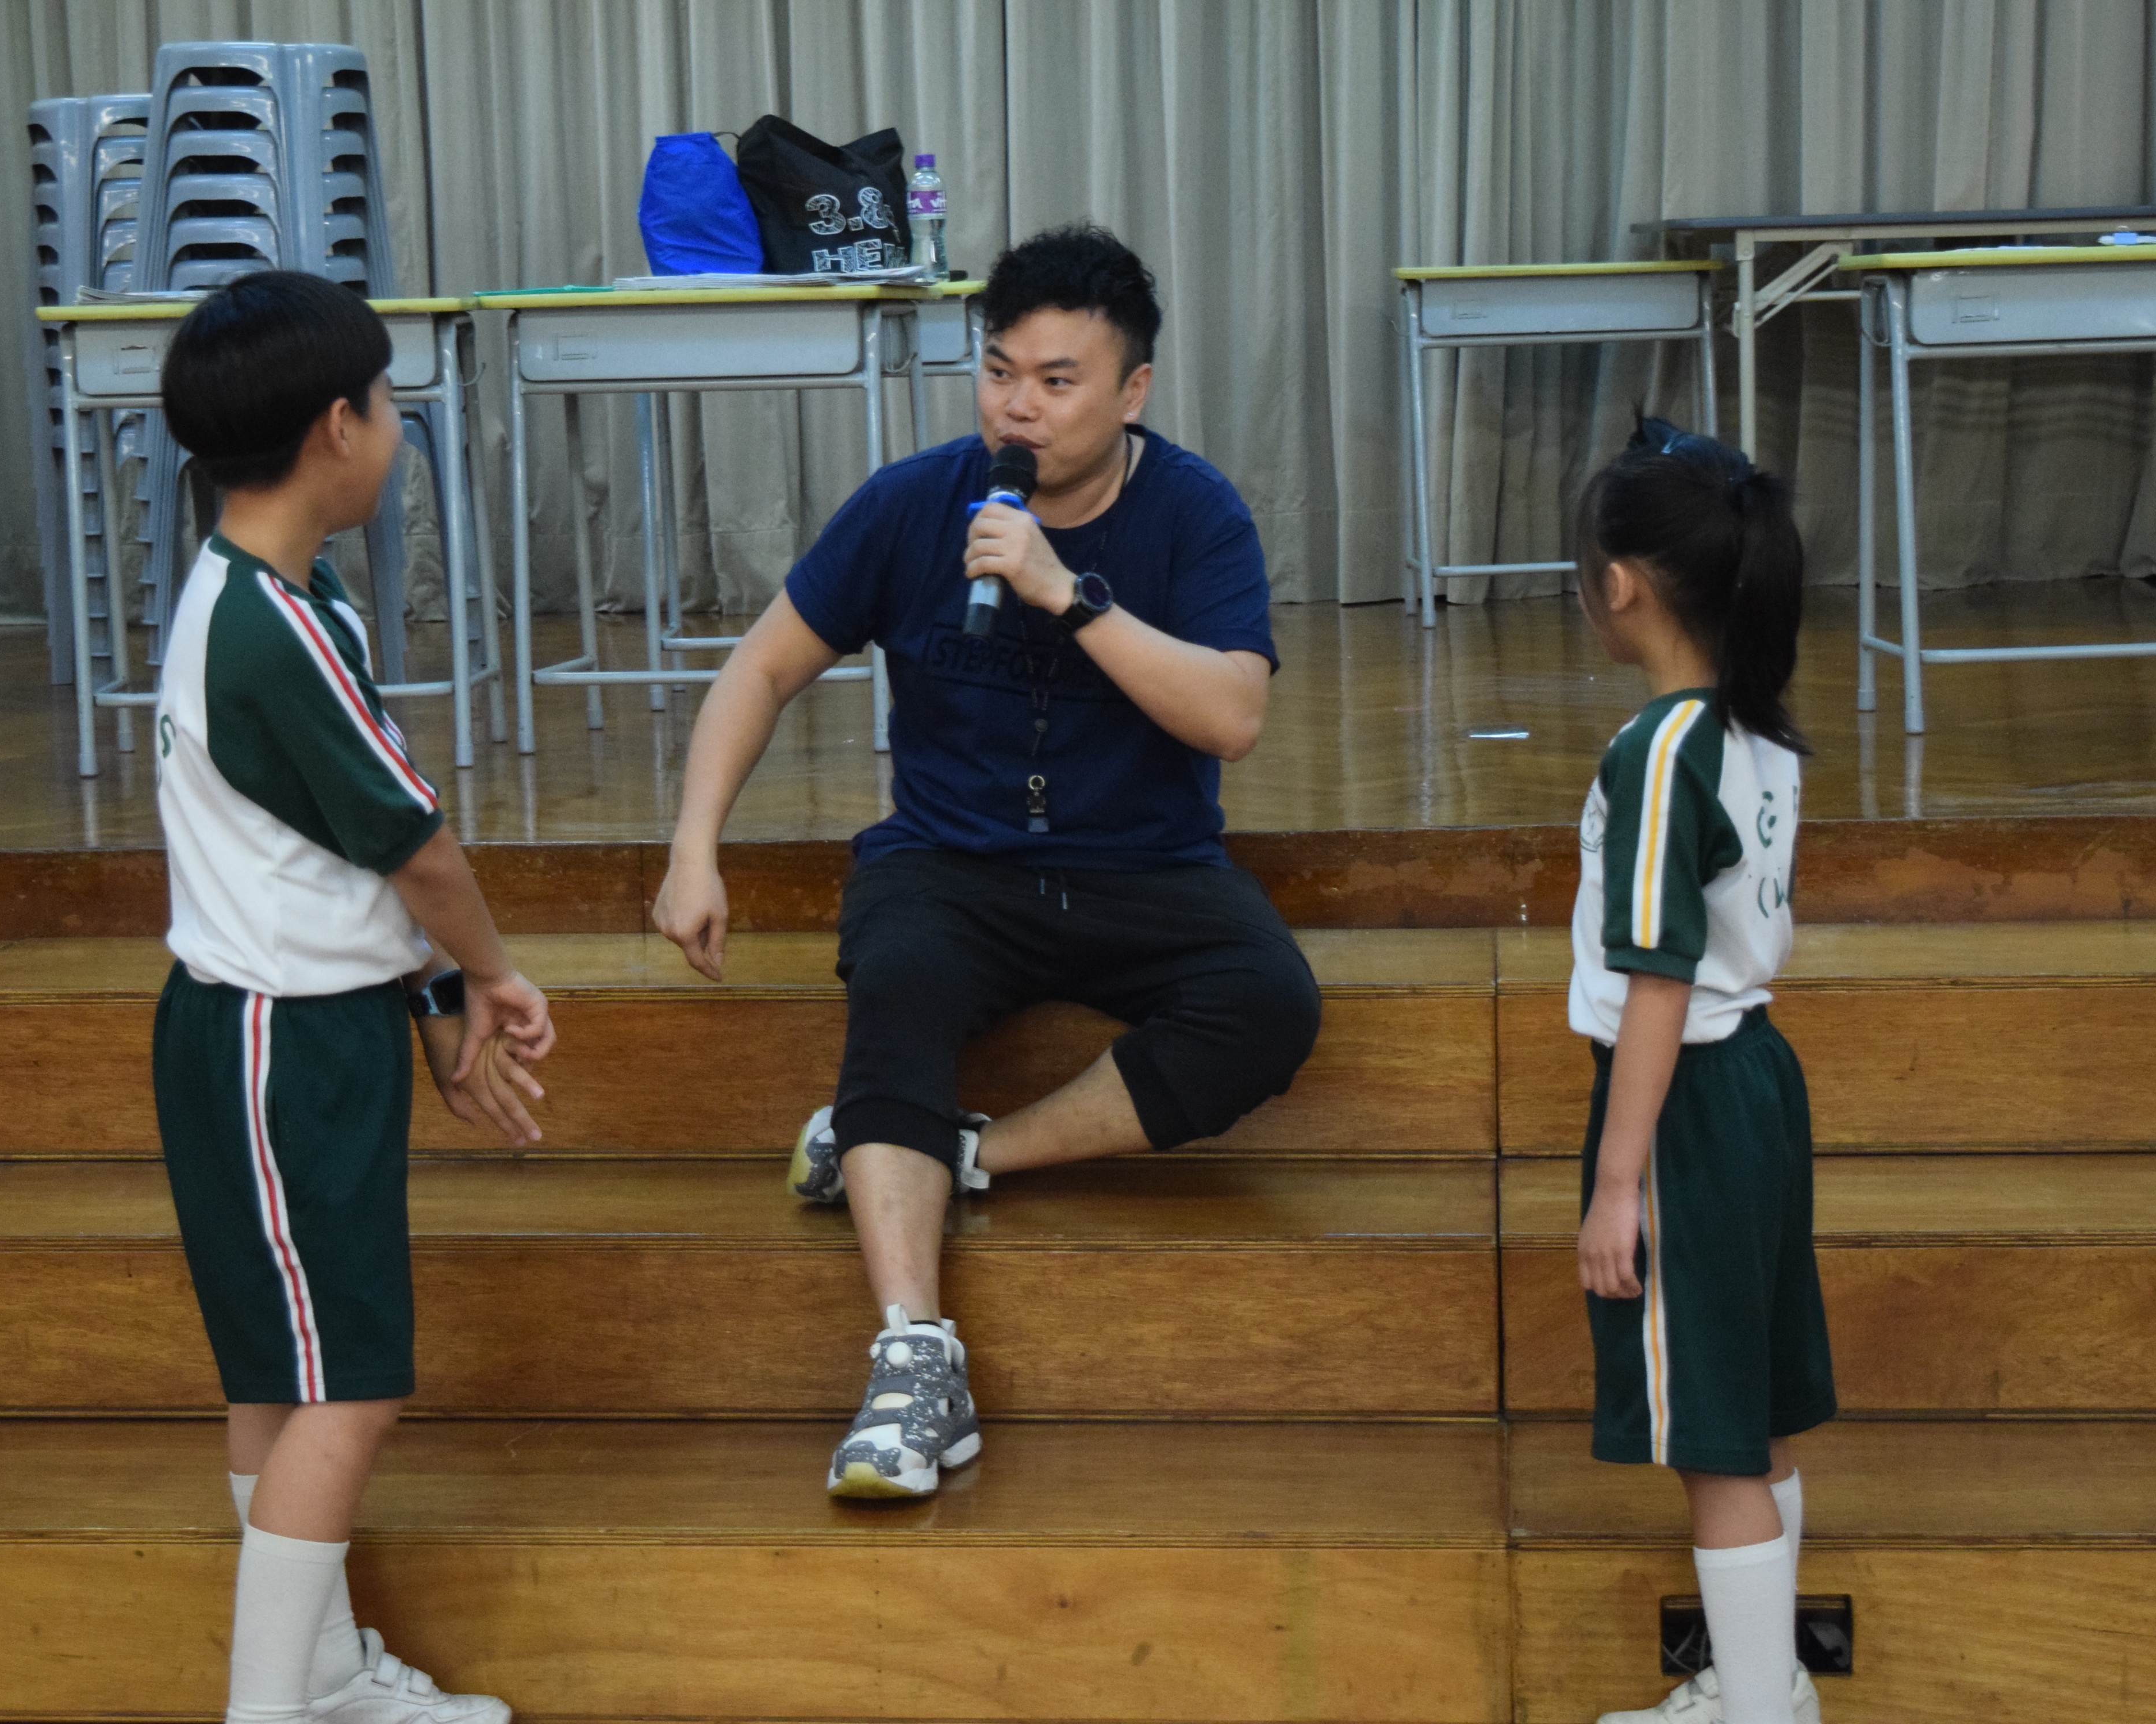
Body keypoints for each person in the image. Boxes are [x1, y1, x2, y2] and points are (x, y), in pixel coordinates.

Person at [651, 224, 1323, 1499]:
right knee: (897, 979)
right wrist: (695, 851)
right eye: (1001, 371)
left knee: (1269, 1005)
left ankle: (956, 1150)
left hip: (1143, 866)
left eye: (1058, 381)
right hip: (952, 862)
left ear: (1132, 390)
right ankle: (915, 1357)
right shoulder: (915, 503)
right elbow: (764, 667)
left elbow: (1232, 717)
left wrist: (1071, 594)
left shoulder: (1196, 514)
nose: (1019, 407)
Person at [150, 271, 556, 1724]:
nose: (393, 428)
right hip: (287, 1046)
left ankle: (322, 1679)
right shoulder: (276, 630)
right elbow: (419, 852)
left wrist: (433, 1008)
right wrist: (491, 972)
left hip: (273, 1027)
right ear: (337, 427)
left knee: (281, 1371)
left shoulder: (274, 590)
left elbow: (342, 857)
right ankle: (273, 1711)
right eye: (386, 404)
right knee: (348, 1386)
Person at [1571, 418, 1832, 1724]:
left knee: (1711, 1441)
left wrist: (1619, 1184)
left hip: (1687, 1109)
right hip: (1758, 1087)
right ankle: (1765, 1686)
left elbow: (1658, 982)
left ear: (1620, 585)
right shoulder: (1756, 731)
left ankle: (1757, 1712)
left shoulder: (1662, 749)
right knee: (1755, 1411)